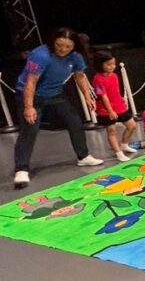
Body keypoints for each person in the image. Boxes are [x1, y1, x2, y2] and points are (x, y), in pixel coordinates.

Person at [12, 27, 104, 189]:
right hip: (31, 95)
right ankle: (21, 169)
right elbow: (31, 83)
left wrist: (88, 96)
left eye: (67, 46)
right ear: (53, 42)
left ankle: (83, 157)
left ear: (74, 46)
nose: (62, 49)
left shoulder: (76, 56)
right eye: (59, 45)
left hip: (55, 94)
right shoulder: (41, 55)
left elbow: (80, 76)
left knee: (75, 121)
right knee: (29, 129)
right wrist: (29, 107)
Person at [92, 51, 138, 163]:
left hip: (119, 106)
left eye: (113, 64)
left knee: (132, 125)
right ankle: (118, 153)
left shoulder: (115, 76)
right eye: (108, 64)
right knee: (112, 131)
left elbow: (116, 91)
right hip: (106, 109)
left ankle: (124, 144)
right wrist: (110, 111)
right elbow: (103, 96)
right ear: (100, 64)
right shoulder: (98, 79)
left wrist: (121, 102)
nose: (112, 66)